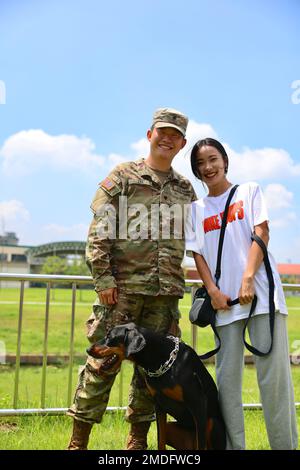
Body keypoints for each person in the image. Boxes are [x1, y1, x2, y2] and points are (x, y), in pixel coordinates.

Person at [67, 108, 197, 450]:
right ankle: (78, 442)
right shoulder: (123, 177)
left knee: (152, 373)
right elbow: (99, 233)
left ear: (182, 143)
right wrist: (103, 279)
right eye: (162, 132)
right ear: (149, 135)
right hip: (121, 294)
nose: (167, 138)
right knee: (102, 365)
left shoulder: (186, 190)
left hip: (164, 297)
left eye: (175, 135)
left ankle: (137, 441)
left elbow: (198, 240)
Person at [186, 137, 298, 450]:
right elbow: (198, 255)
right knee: (227, 384)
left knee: (274, 383)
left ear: (224, 160)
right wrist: (212, 292)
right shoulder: (196, 209)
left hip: (260, 298)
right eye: (200, 163)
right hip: (223, 304)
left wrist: (248, 279)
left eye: (212, 159)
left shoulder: (249, 191)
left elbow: (261, 232)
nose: (208, 167)